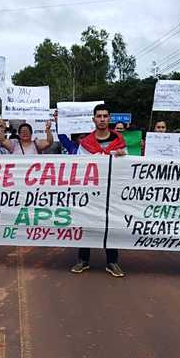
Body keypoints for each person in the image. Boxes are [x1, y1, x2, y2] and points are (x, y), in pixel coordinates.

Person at [72, 104, 127, 277]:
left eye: (105, 116)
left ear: (109, 118)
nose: (102, 119)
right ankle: (83, 259)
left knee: (111, 225)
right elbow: (79, 167)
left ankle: (112, 261)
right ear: (93, 119)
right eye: (99, 116)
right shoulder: (85, 144)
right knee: (86, 222)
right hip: (91, 191)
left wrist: (122, 157)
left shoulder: (120, 142)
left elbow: (127, 167)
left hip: (112, 191)